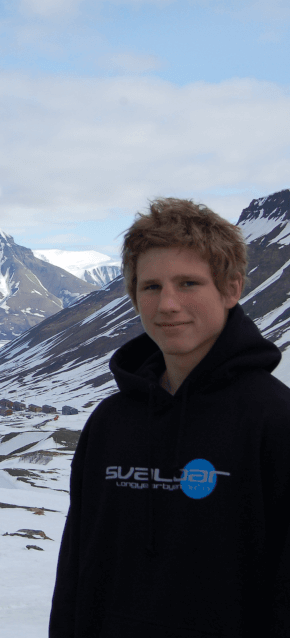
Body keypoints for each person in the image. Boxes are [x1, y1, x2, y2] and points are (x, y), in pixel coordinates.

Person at [49, 198, 290, 636]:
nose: (168, 305)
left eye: (189, 284)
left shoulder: (275, 420)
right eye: (151, 287)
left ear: (231, 289)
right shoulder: (110, 422)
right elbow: (75, 570)